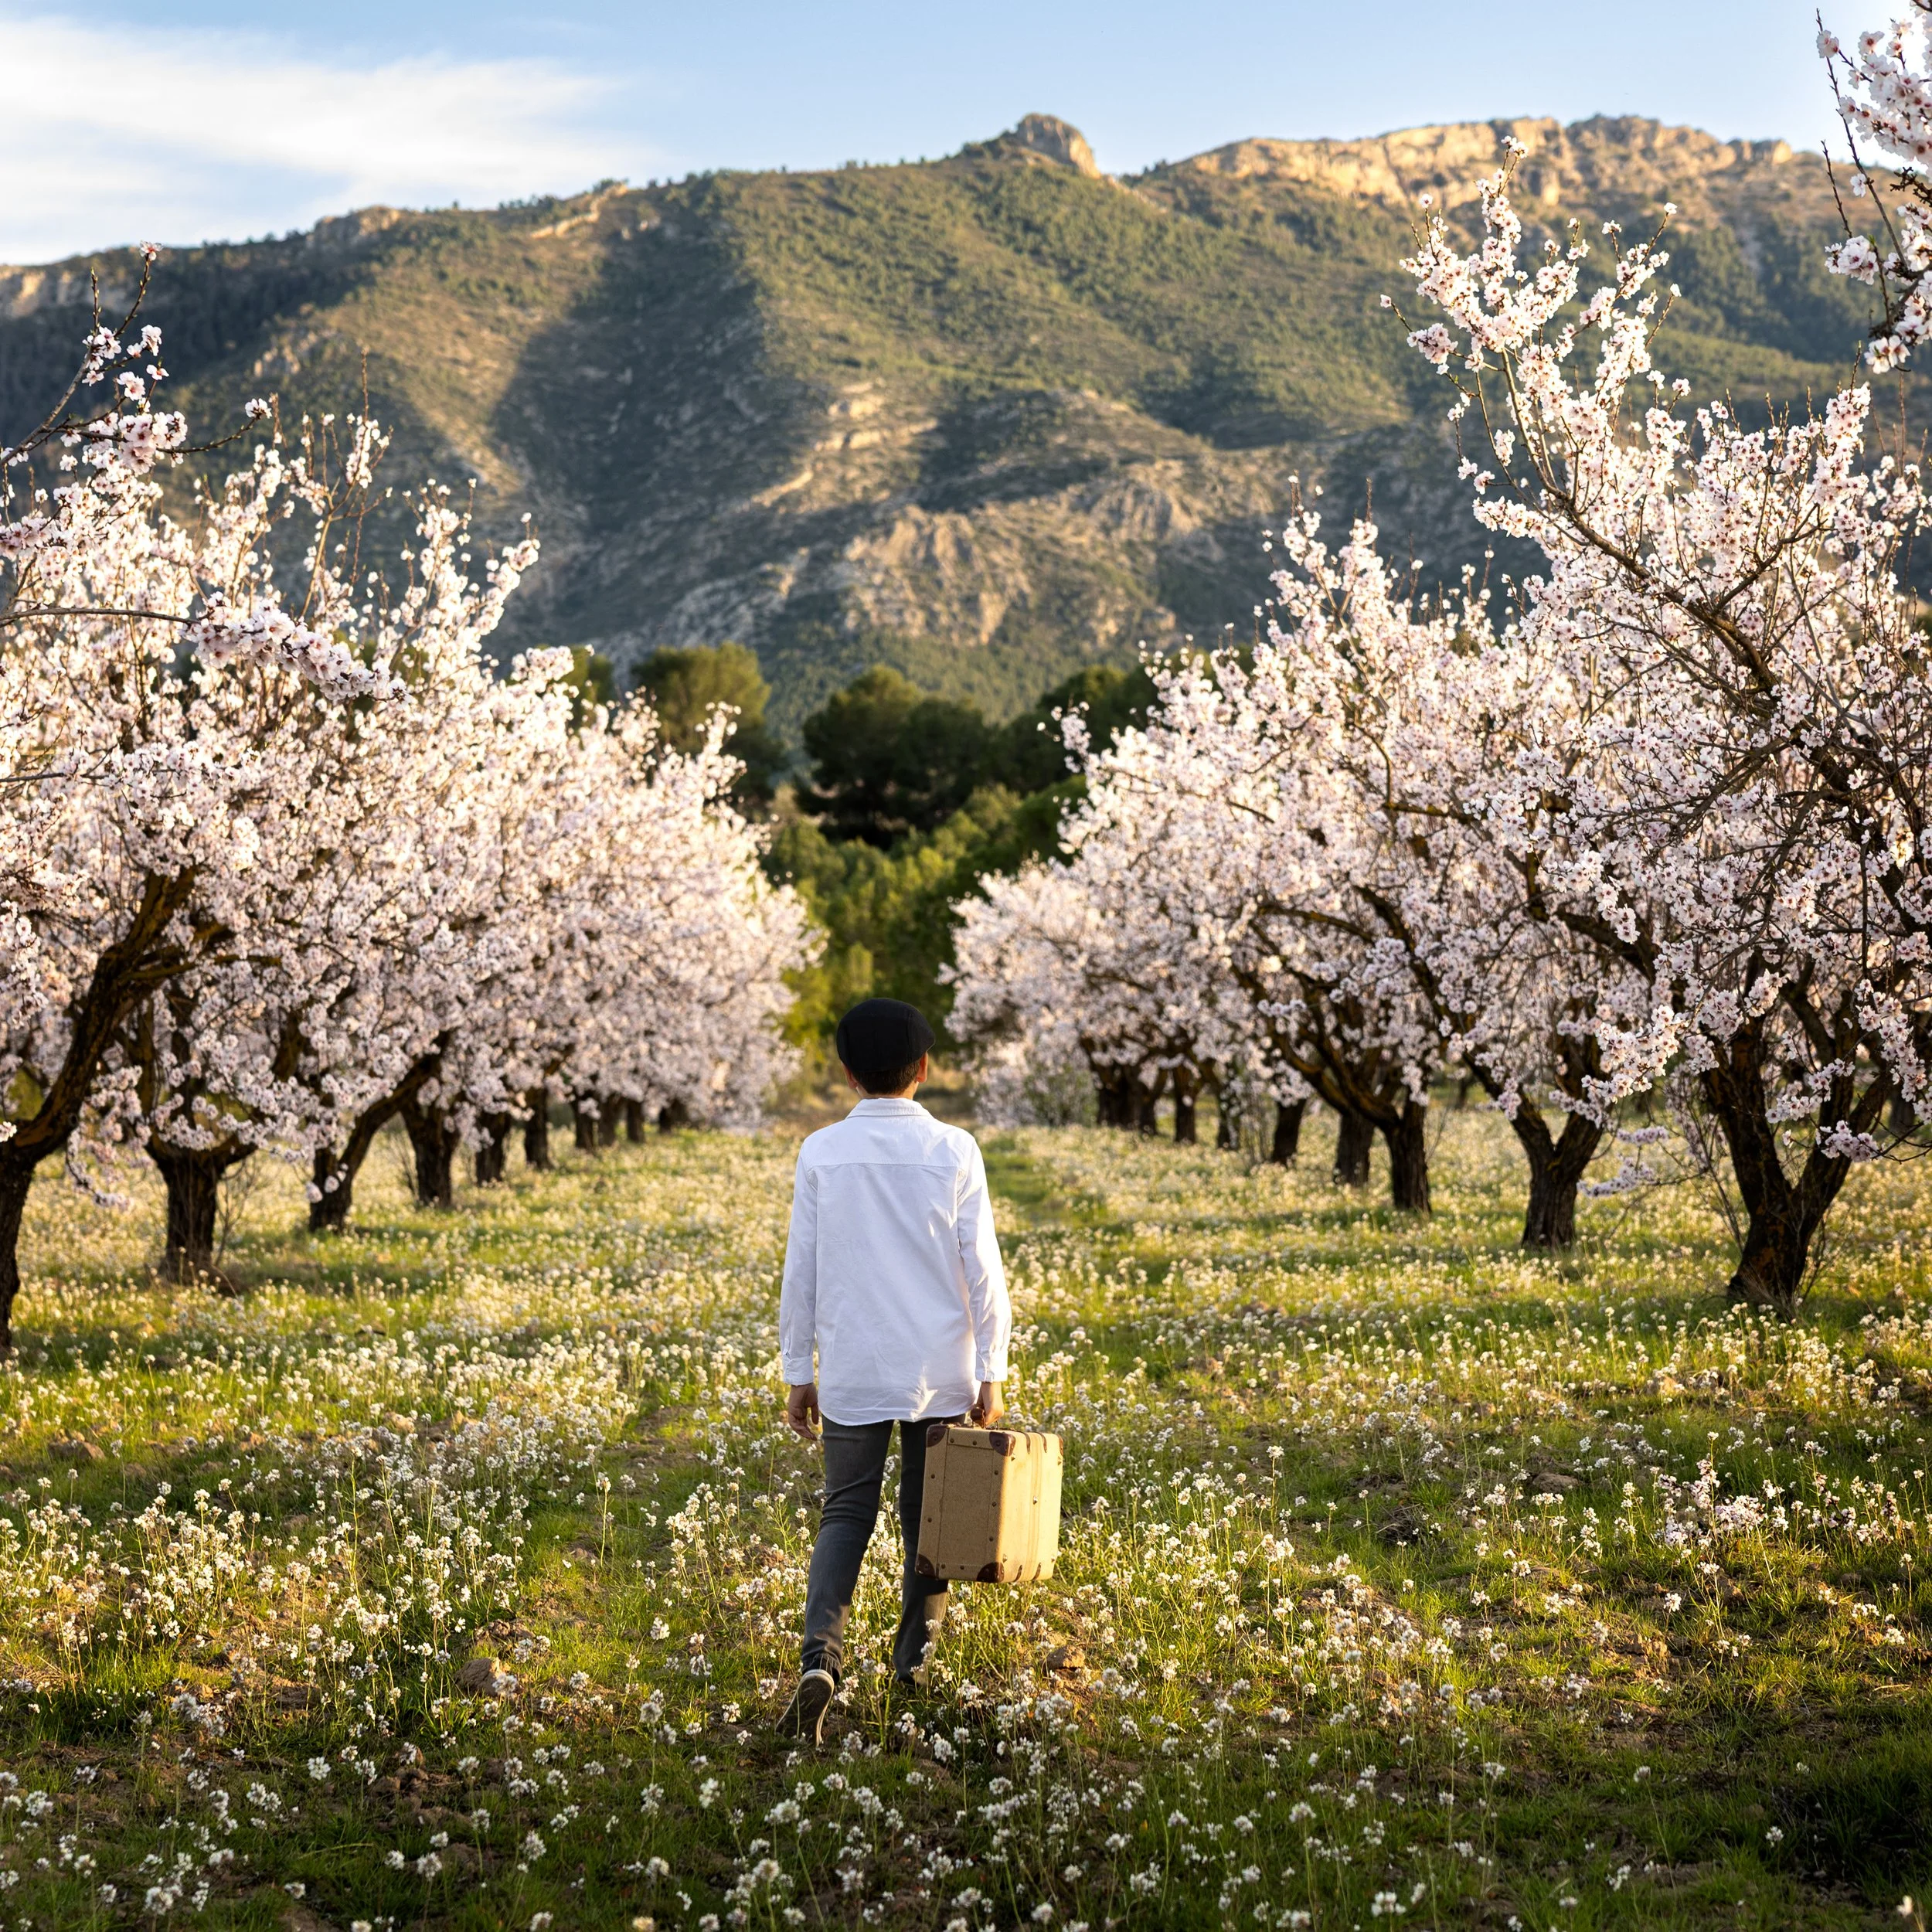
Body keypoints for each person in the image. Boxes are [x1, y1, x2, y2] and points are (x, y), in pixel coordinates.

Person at [774, 997, 1012, 1743]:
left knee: (845, 1511)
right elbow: (985, 1273)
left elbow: (801, 1269)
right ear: (926, 1069)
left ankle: (821, 1658)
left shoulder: (821, 1151)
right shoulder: (955, 1150)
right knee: (927, 1516)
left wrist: (796, 1368)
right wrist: (991, 1369)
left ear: (847, 1074)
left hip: (852, 1366)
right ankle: (914, 1664)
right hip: (937, 1368)